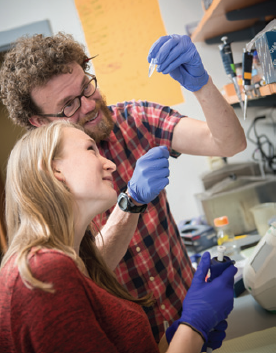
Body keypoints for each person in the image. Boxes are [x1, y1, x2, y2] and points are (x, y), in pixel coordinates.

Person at [0, 32, 246, 342]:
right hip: (125, 338)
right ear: (38, 122)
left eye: (87, 86)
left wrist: (201, 85)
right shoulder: (42, 192)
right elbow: (81, 275)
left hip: (185, 309)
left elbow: (231, 142)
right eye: (69, 105)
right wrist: (130, 202)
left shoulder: (134, 118)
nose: (90, 104)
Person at [0, 120, 237, 353]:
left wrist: (173, 341)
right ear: (54, 169)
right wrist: (194, 328)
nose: (111, 165)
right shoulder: (44, 271)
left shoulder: (73, 258)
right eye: (91, 149)